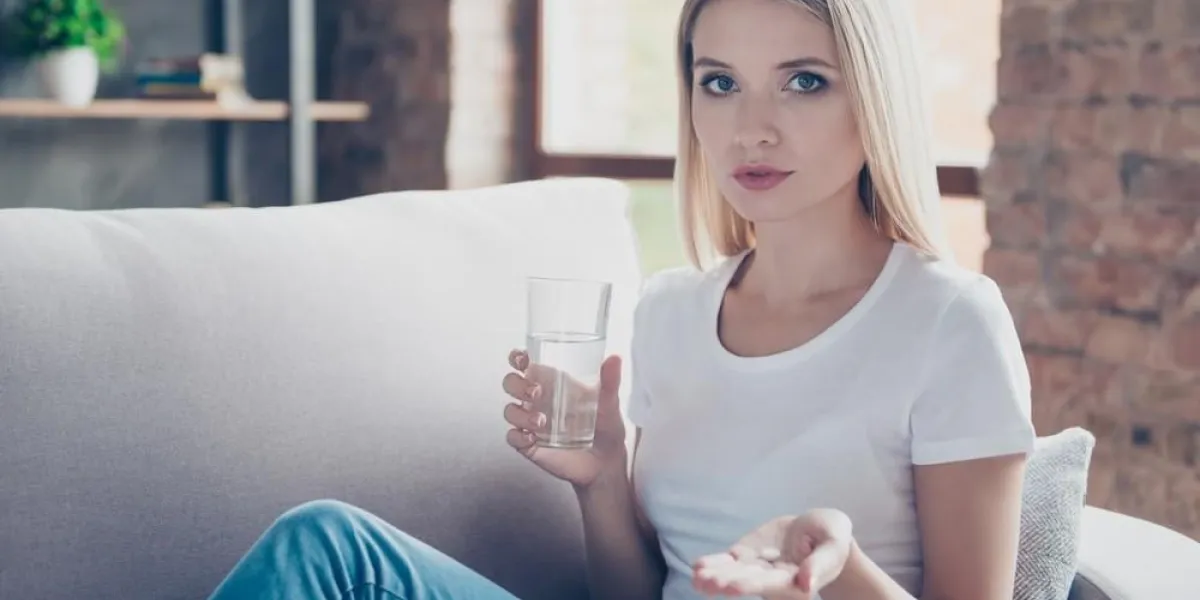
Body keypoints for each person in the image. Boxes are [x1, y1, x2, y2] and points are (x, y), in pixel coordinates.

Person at [206, 0, 1035, 598]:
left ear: (873, 97)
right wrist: (601, 480)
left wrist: (837, 566)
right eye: (720, 83)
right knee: (329, 547)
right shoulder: (672, 311)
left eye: (804, 82)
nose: (752, 127)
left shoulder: (948, 321)